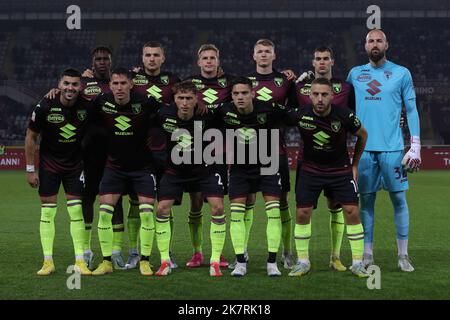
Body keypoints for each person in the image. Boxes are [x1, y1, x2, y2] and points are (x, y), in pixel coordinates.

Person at [44, 46, 127, 270]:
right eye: (98, 59)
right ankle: (88, 250)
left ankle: (117, 251)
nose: (102, 62)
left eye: (106, 59)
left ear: (111, 61)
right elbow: (67, 94)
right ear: (92, 62)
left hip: (114, 150)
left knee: (115, 200)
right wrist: (54, 90)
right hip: (87, 152)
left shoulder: (119, 82)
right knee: (87, 199)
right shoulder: (83, 83)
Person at [347, 29, 421, 272]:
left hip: (394, 150)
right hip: (364, 150)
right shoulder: (355, 74)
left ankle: (403, 255)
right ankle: (367, 255)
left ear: (386, 44)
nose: (375, 44)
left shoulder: (401, 73)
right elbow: (342, 106)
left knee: (399, 200)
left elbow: (410, 109)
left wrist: (416, 144)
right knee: (365, 202)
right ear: (365, 46)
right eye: (371, 41)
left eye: (379, 40)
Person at [286, 78, 369, 277]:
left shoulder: (345, 115)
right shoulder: (300, 114)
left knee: (351, 211)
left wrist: (355, 164)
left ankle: (357, 263)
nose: (320, 98)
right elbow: (276, 120)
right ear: (309, 96)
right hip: (310, 170)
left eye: (324, 94)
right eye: (315, 94)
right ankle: (303, 261)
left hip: (340, 170)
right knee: (302, 212)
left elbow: (363, 135)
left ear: (332, 96)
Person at [213, 77, 287, 277]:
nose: (240, 97)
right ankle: (240, 262)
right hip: (239, 169)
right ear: (232, 96)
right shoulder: (224, 111)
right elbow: (202, 115)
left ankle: (272, 263)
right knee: (236, 215)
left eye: (244, 93)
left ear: (252, 93)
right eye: (236, 93)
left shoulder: (268, 109)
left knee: (273, 213)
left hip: (267, 166)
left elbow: (294, 115)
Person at [89, 68, 161, 276]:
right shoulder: (101, 101)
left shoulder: (146, 101)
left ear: (131, 84)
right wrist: (55, 94)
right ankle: (106, 262)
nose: (119, 87)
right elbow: (78, 109)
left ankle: (144, 261)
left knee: (147, 215)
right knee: (104, 215)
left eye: (123, 83)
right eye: (115, 83)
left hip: (143, 168)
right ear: (110, 85)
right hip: (114, 168)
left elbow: (170, 111)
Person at [234, 39, 297, 270]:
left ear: (274, 55)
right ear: (253, 56)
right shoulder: (243, 82)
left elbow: (295, 109)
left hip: (275, 149)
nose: (263, 55)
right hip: (245, 151)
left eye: (267, 52)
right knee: (246, 201)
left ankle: (287, 251)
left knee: (281, 201)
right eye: (259, 51)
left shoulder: (285, 81)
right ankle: (243, 252)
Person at [153, 81, 226, 277]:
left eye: (189, 98)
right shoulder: (163, 115)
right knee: (161, 209)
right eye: (180, 98)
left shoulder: (208, 116)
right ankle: (164, 261)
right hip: (174, 171)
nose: (184, 103)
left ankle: (215, 261)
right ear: (174, 99)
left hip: (204, 170)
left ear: (196, 99)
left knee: (218, 207)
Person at [25, 68, 91, 276]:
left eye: (74, 84)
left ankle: (80, 261)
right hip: (49, 165)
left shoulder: (87, 106)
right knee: (47, 211)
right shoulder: (45, 105)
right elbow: (30, 138)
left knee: (75, 212)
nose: (70, 88)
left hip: (75, 166)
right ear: (59, 85)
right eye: (66, 84)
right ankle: (48, 262)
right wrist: (30, 170)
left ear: (80, 87)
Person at [295, 46, 355, 272]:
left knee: (336, 206)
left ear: (332, 61)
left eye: (325, 59)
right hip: (307, 159)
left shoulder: (346, 88)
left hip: (336, 161)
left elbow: (355, 118)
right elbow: (289, 113)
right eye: (318, 58)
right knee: (303, 210)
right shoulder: (300, 88)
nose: (322, 62)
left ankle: (335, 256)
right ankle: (300, 259)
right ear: (313, 62)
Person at [125, 41, 180, 270]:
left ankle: (167, 252)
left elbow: (189, 98)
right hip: (140, 151)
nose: (152, 59)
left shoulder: (173, 81)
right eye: (148, 55)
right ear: (142, 57)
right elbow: (109, 89)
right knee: (136, 203)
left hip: (167, 150)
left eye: (156, 55)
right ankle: (134, 251)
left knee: (164, 204)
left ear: (163, 58)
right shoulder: (132, 79)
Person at [183, 44, 233, 268]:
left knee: (217, 204)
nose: (209, 61)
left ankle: (218, 253)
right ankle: (197, 252)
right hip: (193, 150)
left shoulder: (229, 83)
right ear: (199, 61)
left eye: (213, 57)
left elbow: (250, 87)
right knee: (195, 203)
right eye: (205, 58)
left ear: (218, 60)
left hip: (218, 150)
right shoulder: (189, 84)